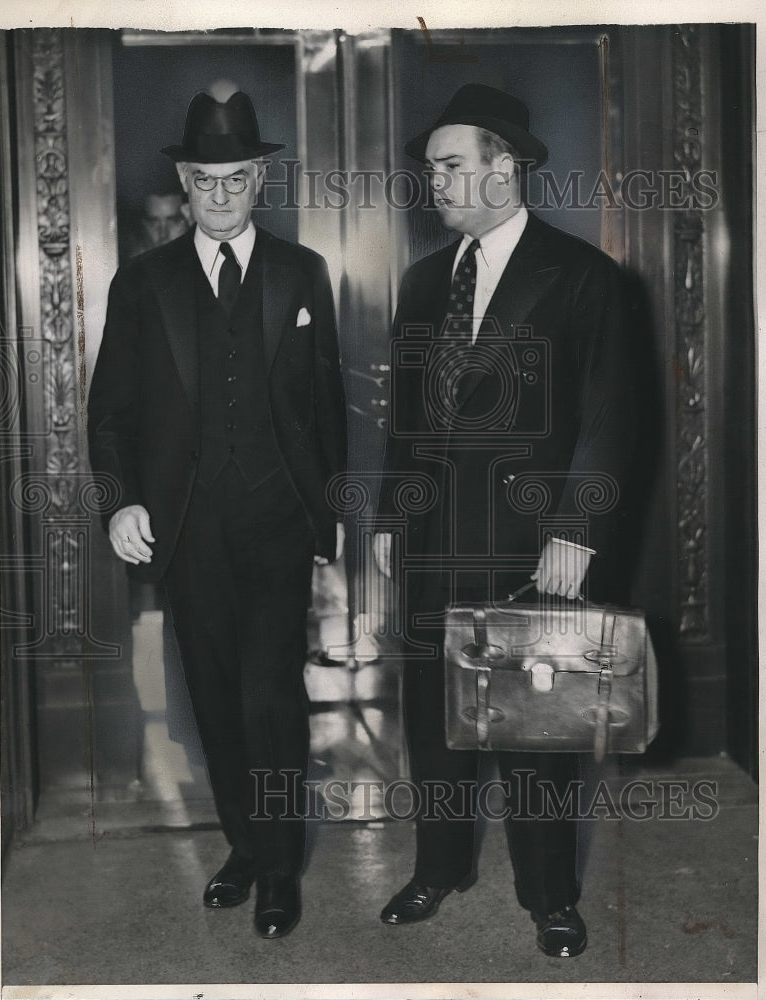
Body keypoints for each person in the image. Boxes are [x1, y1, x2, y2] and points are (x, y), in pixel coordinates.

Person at [373, 84, 638, 957]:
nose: (435, 183)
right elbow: (406, 419)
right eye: (431, 169)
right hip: (431, 541)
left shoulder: (584, 276)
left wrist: (577, 528)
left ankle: (550, 895)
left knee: (534, 728)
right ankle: (439, 867)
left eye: (450, 166)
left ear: (506, 168)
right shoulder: (422, 281)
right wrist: (387, 512)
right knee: (430, 717)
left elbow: (609, 416)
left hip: (532, 544)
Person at [88, 90, 346, 939]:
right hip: (187, 524)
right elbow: (111, 412)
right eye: (206, 178)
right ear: (186, 182)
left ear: (259, 179)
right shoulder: (143, 282)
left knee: (272, 692)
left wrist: (330, 513)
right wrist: (120, 497)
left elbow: (327, 403)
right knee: (212, 696)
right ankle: (244, 841)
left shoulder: (300, 272)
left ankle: (277, 868)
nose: (222, 193)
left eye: (238, 177)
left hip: (277, 518)